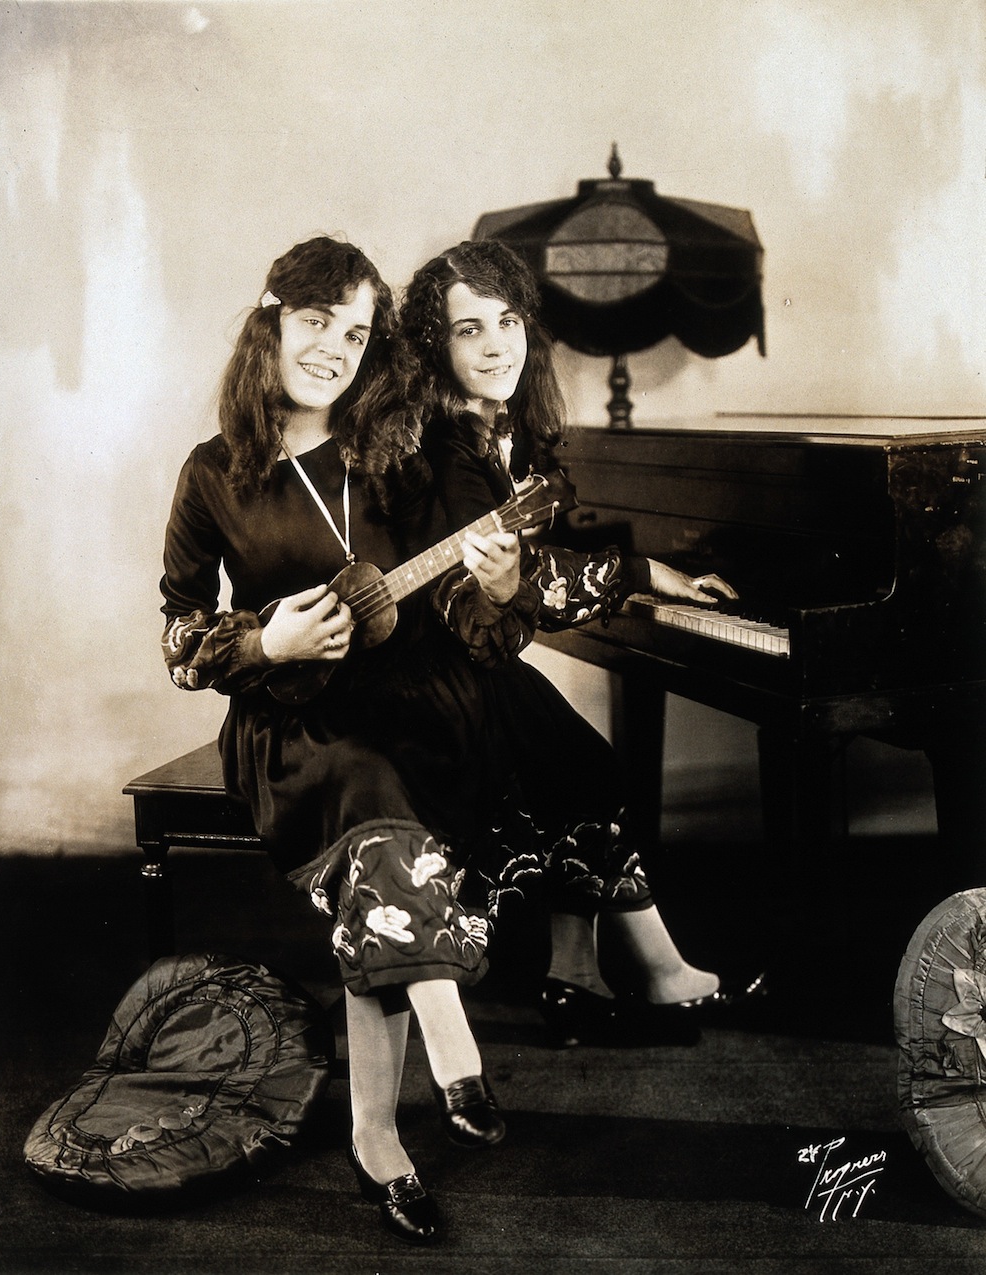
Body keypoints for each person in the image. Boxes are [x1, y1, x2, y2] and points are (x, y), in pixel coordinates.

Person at [159, 236, 539, 1246]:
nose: (334, 346)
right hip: (287, 727)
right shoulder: (211, 475)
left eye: (357, 331)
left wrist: (496, 584)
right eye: (317, 321)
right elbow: (181, 638)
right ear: (273, 321)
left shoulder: (398, 457)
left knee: (384, 842)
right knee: (377, 815)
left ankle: (378, 1136)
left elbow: (465, 615)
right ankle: (451, 1051)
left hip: (394, 713)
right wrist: (264, 638)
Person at [401, 238, 759, 1048]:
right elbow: (523, 575)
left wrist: (641, 570)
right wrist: (641, 573)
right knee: (582, 765)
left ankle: (586, 975)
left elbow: (542, 557)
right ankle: (638, 973)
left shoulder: (499, 429)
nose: (496, 344)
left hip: (474, 660)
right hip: (424, 674)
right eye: (468, 330)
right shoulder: (445, 446)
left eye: (508, 320)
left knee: (578, 763)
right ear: (435, 345)